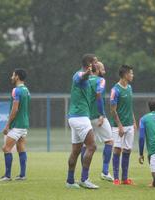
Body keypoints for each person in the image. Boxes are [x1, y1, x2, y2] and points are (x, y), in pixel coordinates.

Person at [66, 54, 99, 189]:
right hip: (79, 117)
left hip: (76, 117)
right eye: (96, 61)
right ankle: (84, 179)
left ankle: (70, 181)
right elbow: (82, 76)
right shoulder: (79, 74)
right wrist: (87, 73)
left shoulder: (90, 77)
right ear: (90, 64)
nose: (98, 63)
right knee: (92, 147)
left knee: (76, 151)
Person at [0, 69, 30, 181]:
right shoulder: (26, 90)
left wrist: (7, 125)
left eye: (13, 75)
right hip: (24, 124)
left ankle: (7, 176)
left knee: (6, 148)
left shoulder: (16, 90)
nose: (11, 77)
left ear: (17, 77)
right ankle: (22, 175)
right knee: (21, 148)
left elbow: (15, 109)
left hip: (17, 125)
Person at [83, 61, 114, 181]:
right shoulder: (100, 80)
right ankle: (105, 172)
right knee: (109, 141)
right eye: (103, 69)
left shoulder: (85, 80)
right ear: (98, 70)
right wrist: (102, 114)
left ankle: (85, 174)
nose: (104, 71)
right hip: (97, 116)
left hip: (85, 116)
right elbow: (98, 94)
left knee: (86, 145)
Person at [110, 65, 136, 185]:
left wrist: (134, 121)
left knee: (127, 150)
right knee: (117, 150)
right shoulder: (115, 90)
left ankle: (125, 178)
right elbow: (113, 110)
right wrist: (120, 125)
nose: (132, 75)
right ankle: (116, 178)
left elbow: (130, 107)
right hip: (118, 126)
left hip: (130, 125)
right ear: (125, 75)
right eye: (131, 73)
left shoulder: (130, 88)